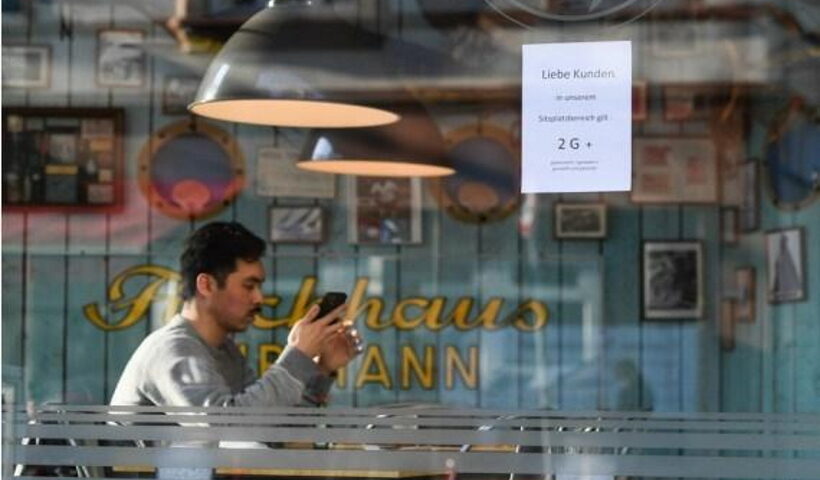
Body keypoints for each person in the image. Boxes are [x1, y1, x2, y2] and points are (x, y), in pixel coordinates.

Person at [110, 221, 359, 408]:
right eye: (249, 286)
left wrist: (322, 369)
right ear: (206, 285)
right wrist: (297, 355)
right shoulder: (174, 349)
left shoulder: (226, 352)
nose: (259, 298)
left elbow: (272, 432)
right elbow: (229, 430)